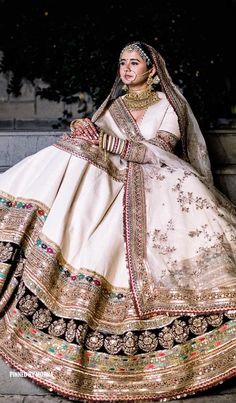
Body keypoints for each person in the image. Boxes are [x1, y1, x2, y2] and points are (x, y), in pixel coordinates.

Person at [0, 41, 235, 402]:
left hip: (156, 180)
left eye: (134, 63)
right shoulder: (116, 105)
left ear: (152, 70)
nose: (126, 70)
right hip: (114, 174)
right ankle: (20, 213)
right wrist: (84, 127)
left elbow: (159, 152)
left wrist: (110, 143)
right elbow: (97, 136)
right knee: (72, 149)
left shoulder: (168, 105)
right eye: (122, 63)